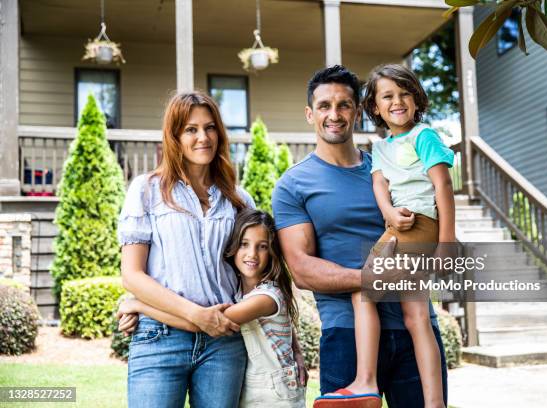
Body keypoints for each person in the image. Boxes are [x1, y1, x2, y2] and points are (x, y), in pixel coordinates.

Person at [272, 65, 448, 408]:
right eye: (324, 106)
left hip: (414, 327)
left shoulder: (393, 166)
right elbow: (302, 270)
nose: (334, 115)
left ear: (358, 112)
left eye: (344, 105)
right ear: (310, 114)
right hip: (347, 335)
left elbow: (431, 214)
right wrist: (371, 278)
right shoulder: (293, 185)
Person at [323, 63, 455, 408]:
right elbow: (380, 185)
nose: (397, 101)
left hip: (421, 225)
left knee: (362, 288)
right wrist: (389, 212)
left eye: (404, 93)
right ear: (375, 108)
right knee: (415, 317)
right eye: (388, 96)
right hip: (398, 225)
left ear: (416, 99)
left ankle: (365, 383)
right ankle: (432, 403)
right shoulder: (380, 148)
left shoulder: (423, 136)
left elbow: (443, 186)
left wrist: (447, 242)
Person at [117, 91, 255, 408]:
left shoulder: (239, 200)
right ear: (175, 136)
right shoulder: (147, 190)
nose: (202, 137)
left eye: (210, 128)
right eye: (191, 129)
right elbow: (132, 274)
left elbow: (255, 279)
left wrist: (139, 304)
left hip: (225, 343)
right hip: (158, 340)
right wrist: (192, 314)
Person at [118, 209, 307, 407]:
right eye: (244, 244)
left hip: (275, 398)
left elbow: (199, 323)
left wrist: (138, 305)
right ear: (232, 247)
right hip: (256, 392)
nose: (252, 254)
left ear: (272, 252)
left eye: (262, 247)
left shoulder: (264, 298)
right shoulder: (238, 293)